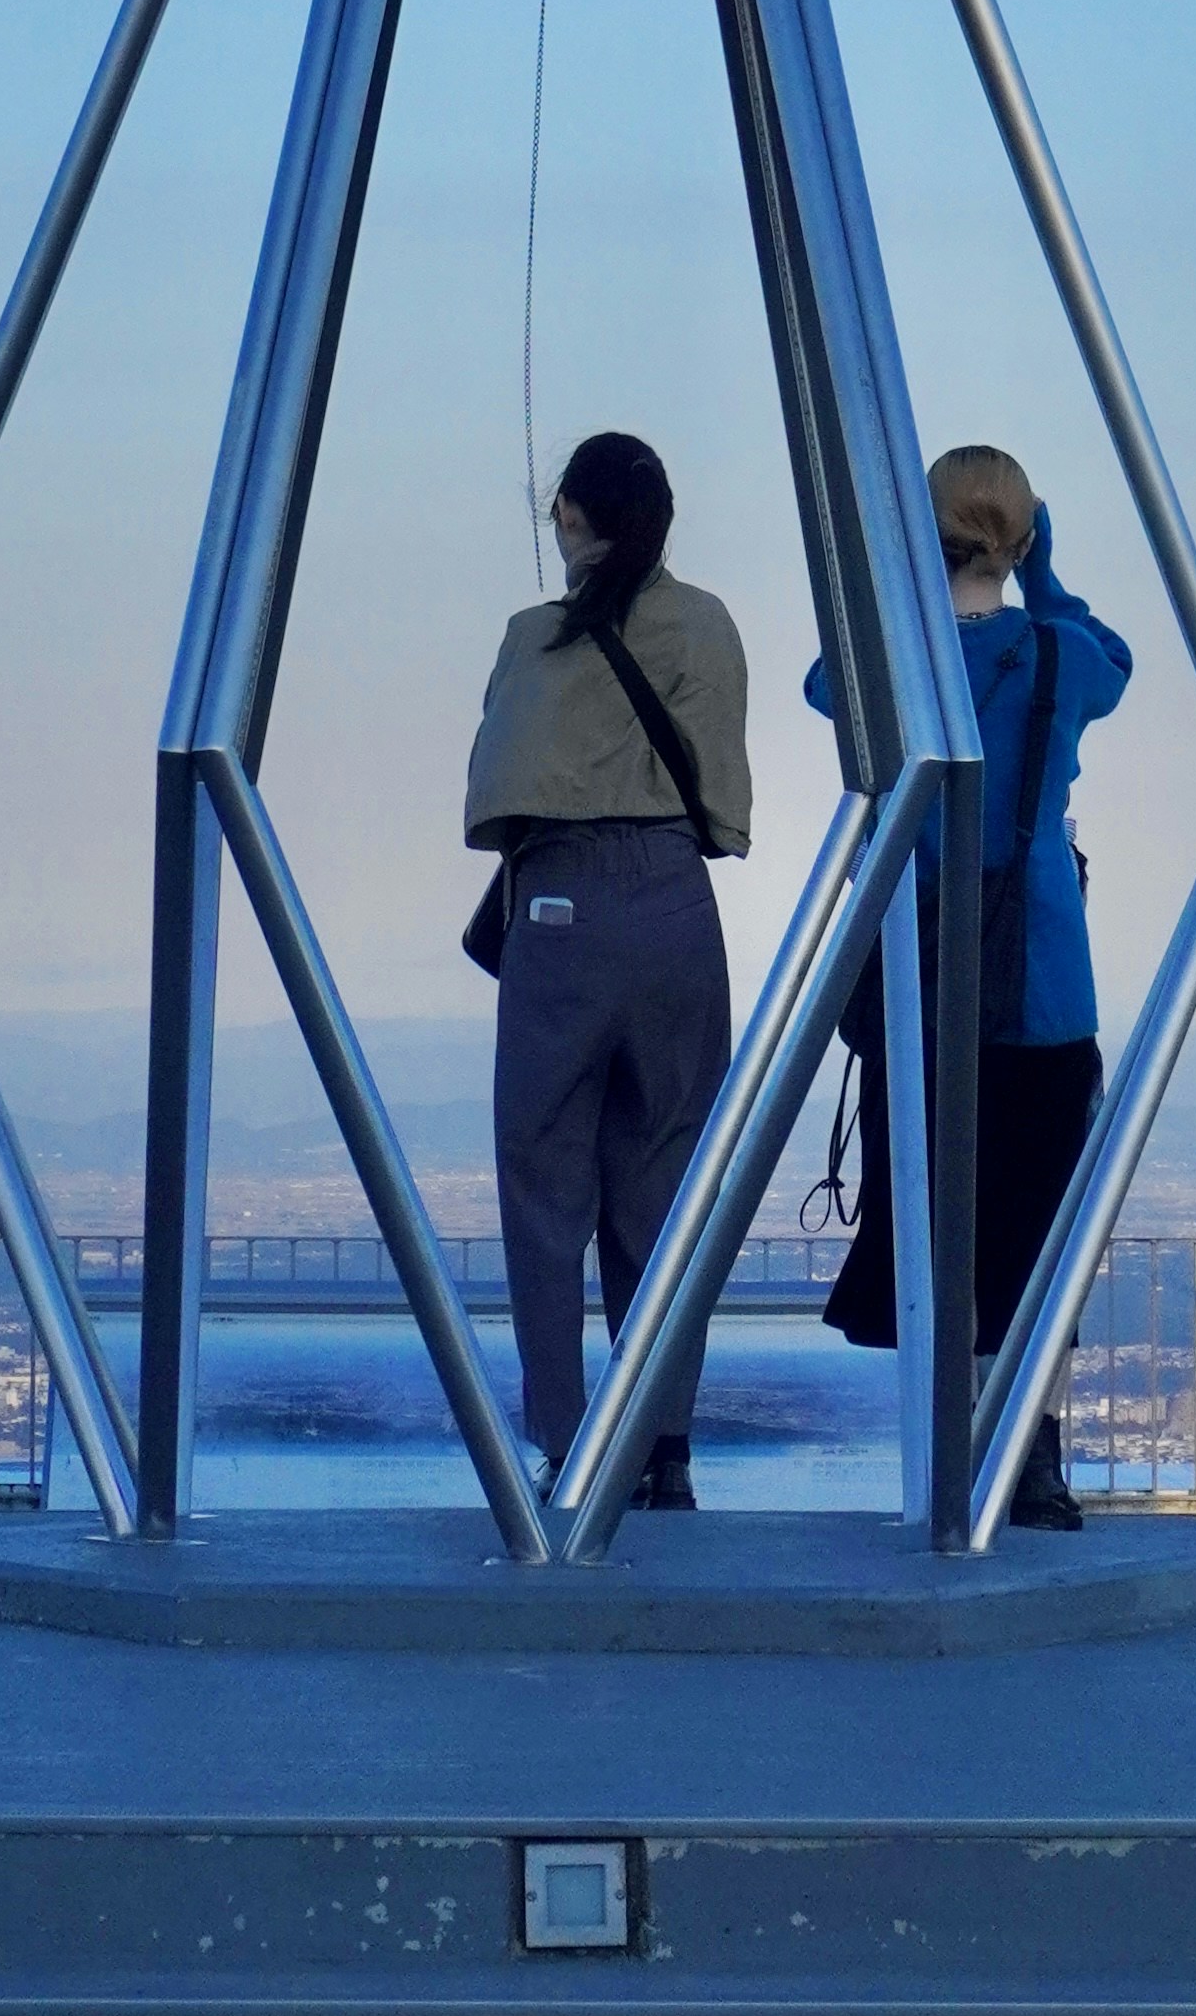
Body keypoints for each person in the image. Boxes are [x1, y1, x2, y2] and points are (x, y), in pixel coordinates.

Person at [815, 442, 1134, 1526]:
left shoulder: (900, 664)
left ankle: (948, 1453)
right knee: (1042, 1235)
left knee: (941, 1224)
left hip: (928, 976)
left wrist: (904, 581)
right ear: (1025, 533)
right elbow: (1117, 657)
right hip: (1046, 983)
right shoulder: (1057, 657)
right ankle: (1032, 1454)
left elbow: (825, 681)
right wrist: (1041, 575)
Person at [462, 426, 751, 1508]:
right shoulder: (709, 625)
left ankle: (567, 1438)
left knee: (546, 1185)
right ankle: (662, 1439)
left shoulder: (535, 634)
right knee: (667, 1186)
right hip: (681, 901)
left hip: (563, 904)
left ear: (573, 519)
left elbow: (496, 786)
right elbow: (726, 795)